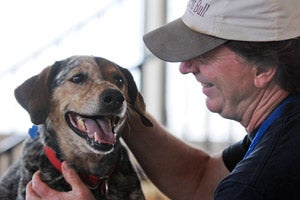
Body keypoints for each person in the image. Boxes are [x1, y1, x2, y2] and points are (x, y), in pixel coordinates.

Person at [26, 0, 300, 199]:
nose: (185, 66)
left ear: (263, 69)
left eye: (204, 53)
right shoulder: (283, 122)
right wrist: (109, 103)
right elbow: (200, 179)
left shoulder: (258, 182)